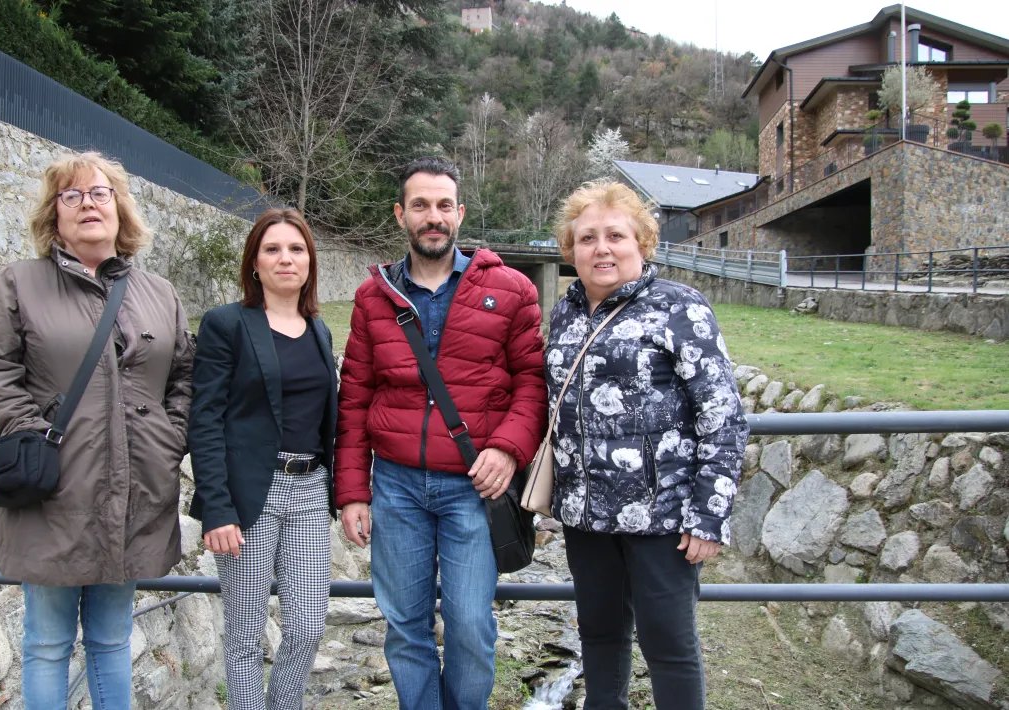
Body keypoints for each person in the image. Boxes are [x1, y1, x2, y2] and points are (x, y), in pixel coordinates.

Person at [0, 152, 193, 710]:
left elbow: (185, 374)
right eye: (72, 196)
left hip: (137, 487)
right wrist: (35, 437)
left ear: (120, 209)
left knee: (114, 638)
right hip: (54, 490)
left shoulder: (158, 293)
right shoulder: (19, 283)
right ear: (54, 214)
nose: (88, 204)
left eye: (99, 193)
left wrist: (170, 434)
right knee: (46, 641)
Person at [335, 156, 547, 710]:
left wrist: (507, 447)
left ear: (460, 213)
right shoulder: (372, 297)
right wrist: (354, 491)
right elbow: (355, 396)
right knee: (405, 627)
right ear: (401, 214)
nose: (434, 217)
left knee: (471, 630)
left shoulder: (512, 289)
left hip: (474, 487)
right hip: (397, 486)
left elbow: (532, 382)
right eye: (421, 205)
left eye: (444, 206)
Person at [545, 180, 749, 710]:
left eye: (616, 235)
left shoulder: (680, 307)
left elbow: (723, 417)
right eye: (587, 238)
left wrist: (708, 515)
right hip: (586, 516)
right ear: (571, 249)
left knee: (670, 647)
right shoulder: (565, 312)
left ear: (642, 242)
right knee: (599, 638)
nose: (601, 248)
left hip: (663, 518)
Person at [188, 208, 338, 710]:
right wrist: (217, 506)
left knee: (307, 626)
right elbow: (204, 418)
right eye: (272, 249)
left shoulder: (319, 330)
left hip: (310, 490)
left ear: (310, 261)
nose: (285, 259)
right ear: (254, 262)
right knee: (247, 631)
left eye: (296, 249)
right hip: (250, 495)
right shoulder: (226, 324)